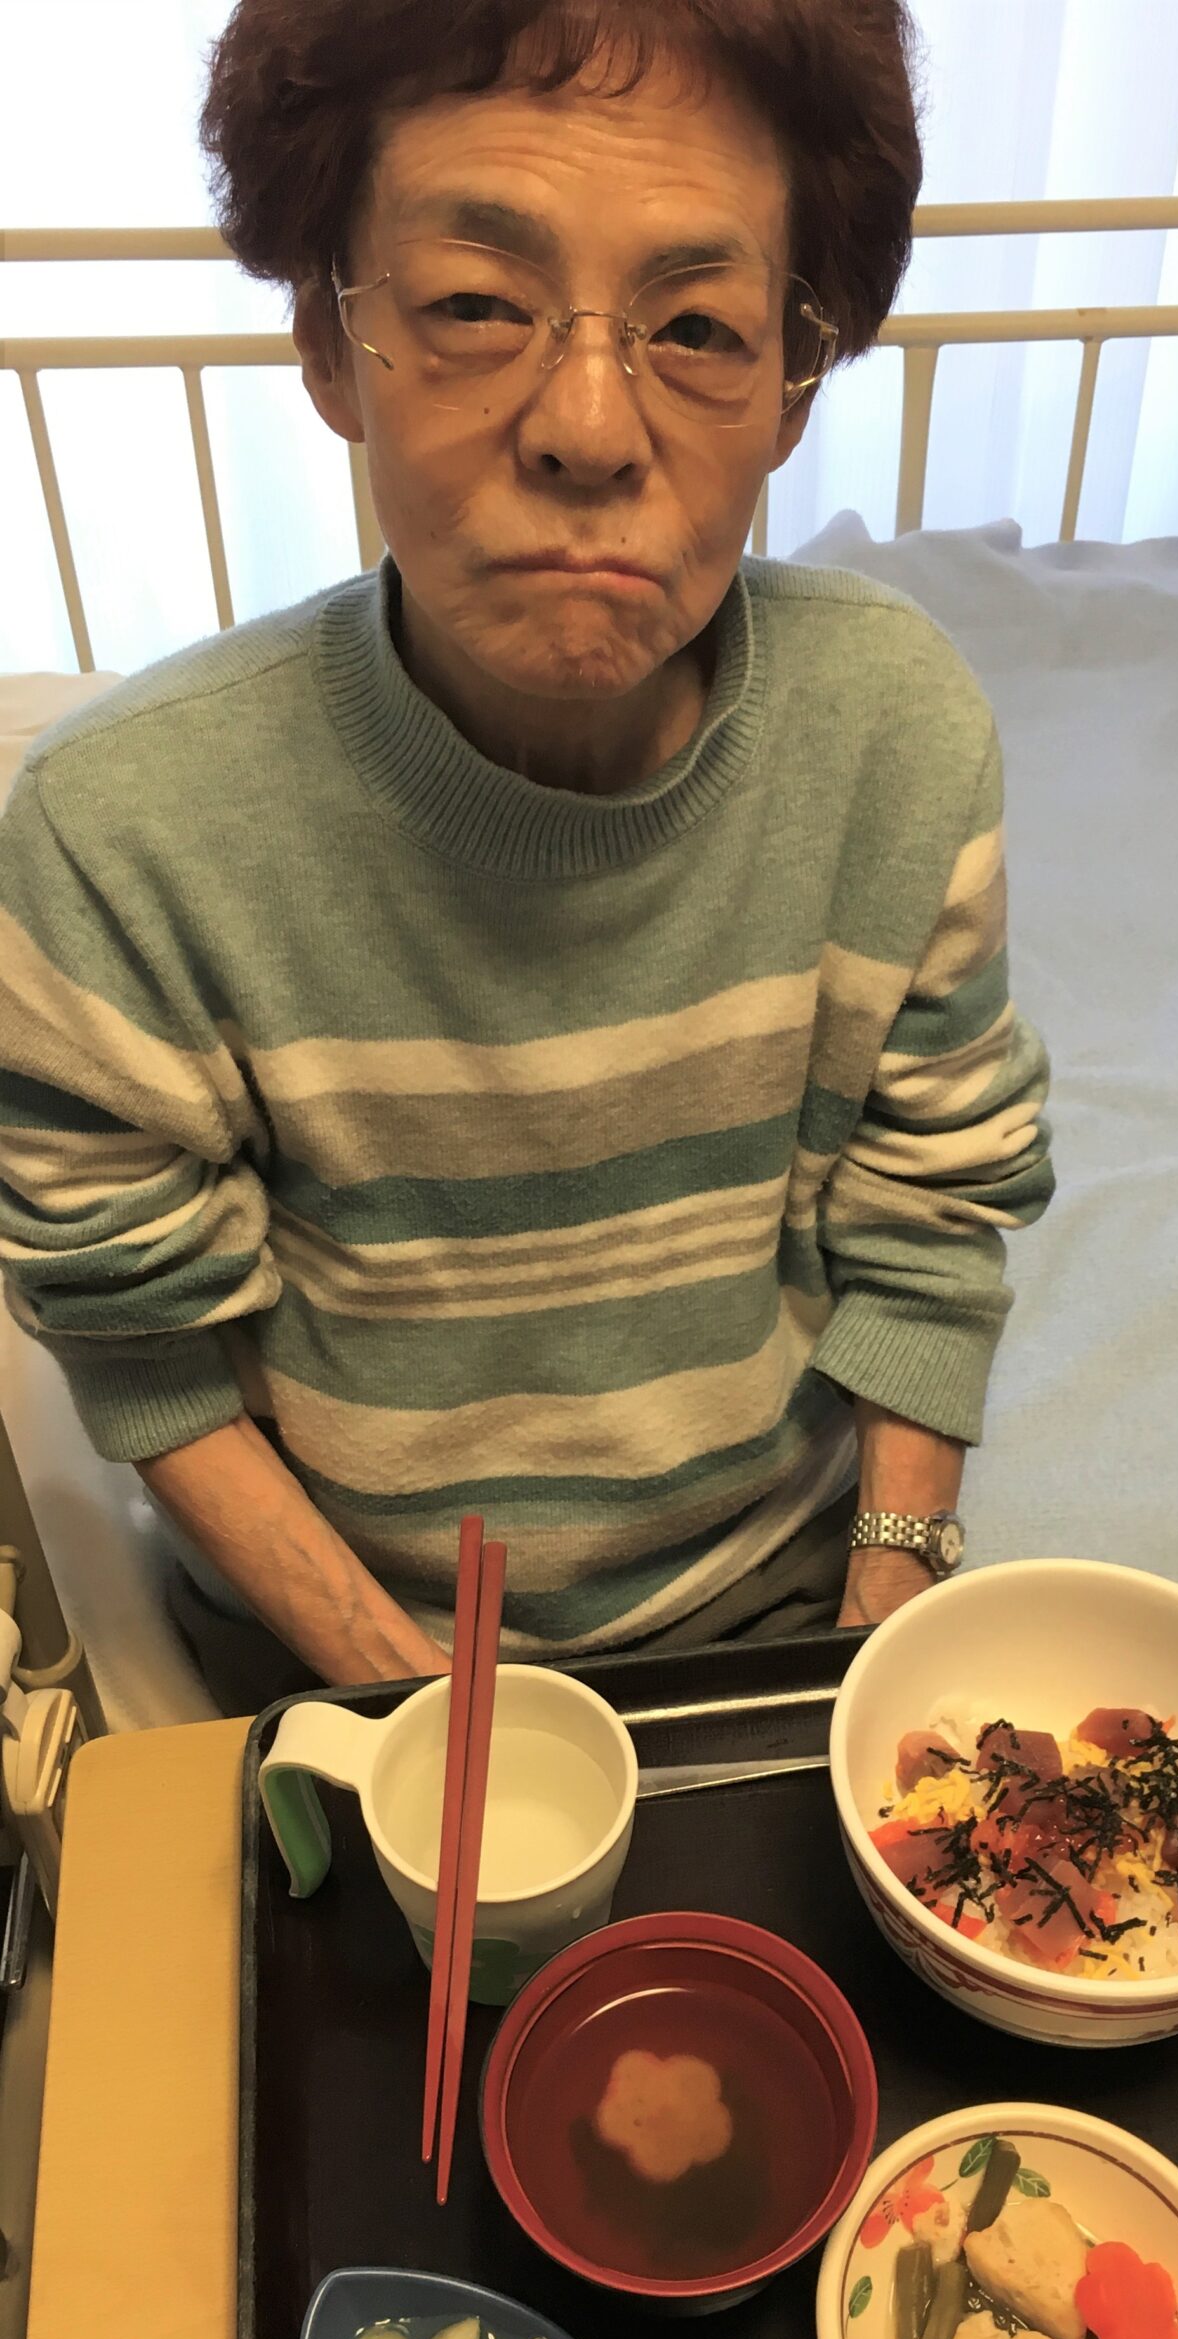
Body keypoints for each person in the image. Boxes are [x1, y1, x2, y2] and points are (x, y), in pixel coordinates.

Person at [0, 0, 1053, 1714]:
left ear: (791, 390)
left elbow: (935, 1205)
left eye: (698, 326)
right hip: (344, 1653)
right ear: (330, 342)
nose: (588, 426)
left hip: (785, 1611)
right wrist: (421, 1708)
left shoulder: (894, 732)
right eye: (477, 305)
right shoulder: (117, 836)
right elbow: (142, 1348)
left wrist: (883, 1610)